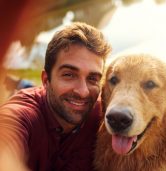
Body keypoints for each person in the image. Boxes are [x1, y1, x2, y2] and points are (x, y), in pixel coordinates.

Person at [0, 22, 111, 171]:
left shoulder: (104, 116)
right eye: (69, 75)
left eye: (93, 78)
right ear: (46, 80)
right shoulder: (22, 117)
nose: (83, 91)